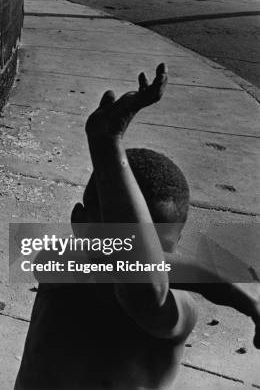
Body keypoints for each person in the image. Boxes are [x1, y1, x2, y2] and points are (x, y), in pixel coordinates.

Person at [15, 63, 260, 389]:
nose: (132, 248)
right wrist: (241, 293)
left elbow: (140, 280)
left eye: (155, 242)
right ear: (80, 224)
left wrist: (106, 145)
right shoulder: (58, 263)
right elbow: (129, 260)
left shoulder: (175, 312)